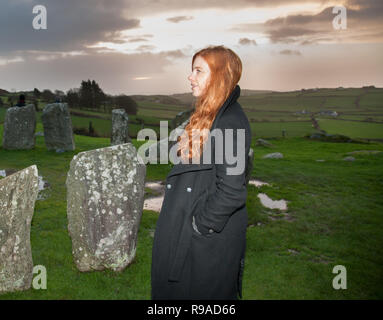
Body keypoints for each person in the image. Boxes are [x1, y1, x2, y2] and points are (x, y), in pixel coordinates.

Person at [151, 45, 252, 300]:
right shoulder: (208, 114)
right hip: (188, 232)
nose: (190, 76)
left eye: (198, 70)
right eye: (191, 69)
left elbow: (231, 192)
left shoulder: (230, 121)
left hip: (205, 241)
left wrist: (200, 225)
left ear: (219, 76)